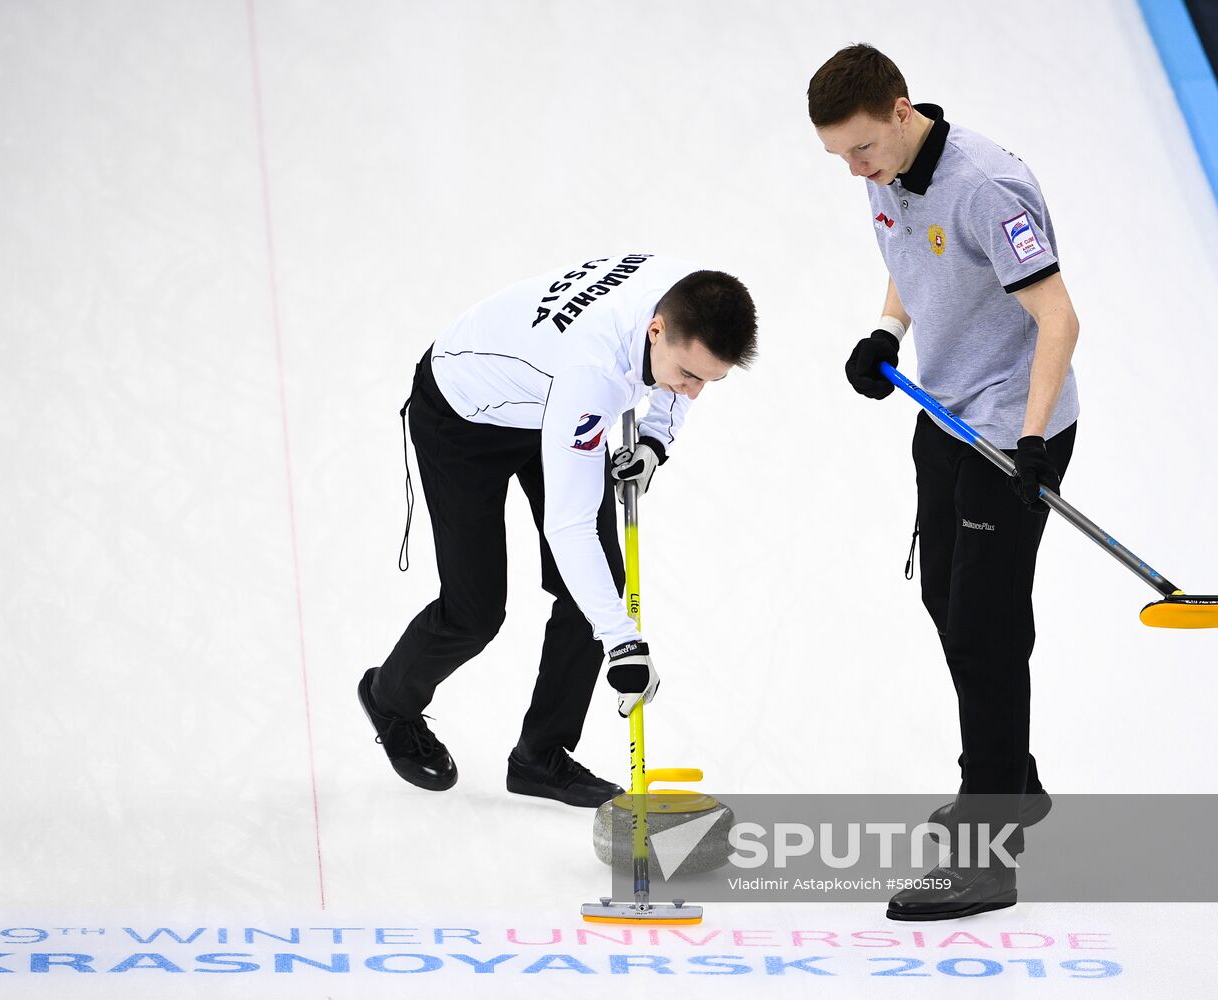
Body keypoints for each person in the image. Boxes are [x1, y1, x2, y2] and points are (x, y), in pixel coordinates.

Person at [808, 45, 1079, 919]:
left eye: (861, 151)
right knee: (947, 603)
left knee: (984, 633)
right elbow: (913, 255)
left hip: (1012, 429)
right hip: (947, 415)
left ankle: (990, 847)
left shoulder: (987, 186)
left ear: (898, 110)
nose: (857, 172)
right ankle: (1015, 780)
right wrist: (888, 331)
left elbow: (1058, 318)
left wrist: (1033, 439)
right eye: (841, 158)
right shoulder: (890, 169)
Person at [361, 254, 758, 808]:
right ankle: (389, 699)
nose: (691, 390)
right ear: (655, 329)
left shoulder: (688, 294)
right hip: (462, 415)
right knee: (475, 612)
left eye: (707, 381)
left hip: (544, 397)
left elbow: (672, 384)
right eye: (688, 376)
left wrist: (653, 441)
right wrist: (622, 642)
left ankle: (539, 756)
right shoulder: (592, 377)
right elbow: (568, 528)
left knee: (593, 586)